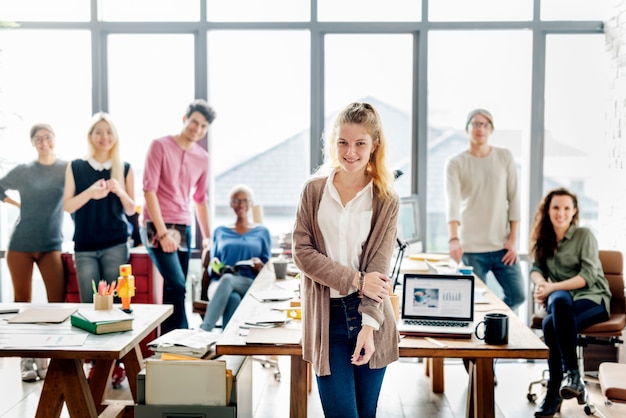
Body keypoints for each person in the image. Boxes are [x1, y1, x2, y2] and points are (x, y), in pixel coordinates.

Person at [292, 102, 400, 418]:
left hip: (370, 318)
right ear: (333, 142)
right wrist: (355, 279)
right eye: (343, 142)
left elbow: (378, 268)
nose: (350, 152)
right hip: (326, 319)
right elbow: (302, 253)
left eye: (359, 143)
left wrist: (368, 327)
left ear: (374, 145)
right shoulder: (313, 191)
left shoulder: (385, 199)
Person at [529, 188, 611, 418]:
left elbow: (588, 276)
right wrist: (541, 284)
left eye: (567, 208)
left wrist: (552, 287)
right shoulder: (544, 238)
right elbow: (536, 269)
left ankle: (556, 390)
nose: (561, 213)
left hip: (592, 299)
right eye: (556, 207)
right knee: (557, 304)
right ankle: (572, 376)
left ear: (574, 211)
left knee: (550, 322)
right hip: (563, 303)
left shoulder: (584, 235)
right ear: (548, 210)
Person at [141, 99, 215, 334]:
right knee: (176, 283)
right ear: (185, 119)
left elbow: (200, 198)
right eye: (194, 122)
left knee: (176, 288)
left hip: (184, 226)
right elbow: (148, 189)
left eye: (203, 126)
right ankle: (179, 338)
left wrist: (208, 237)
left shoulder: (203, 158)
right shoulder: (159, 146)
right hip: (156, 224)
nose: (197, 129)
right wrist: (162, 233)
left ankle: (169, 344)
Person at [0, 123, 66, 382]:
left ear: (54, 139)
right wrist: (17, 203)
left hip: (51, 244)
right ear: (32, 143)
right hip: (20, 245)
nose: (43, 142)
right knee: (22, 306)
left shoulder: (65, 169)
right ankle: (27, 362)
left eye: (47, 137)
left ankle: (53, 360)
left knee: (57, 305)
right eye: (37, 138)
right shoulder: (25, 171)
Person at [444, 108, 525, 311]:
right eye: (476, 124)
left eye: (485, 124)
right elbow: (452, 203)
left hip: (503, 247)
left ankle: (495, 320)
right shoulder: (455, 163)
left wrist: (514, 239)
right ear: (468, 128)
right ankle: (485, 330)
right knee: (474, 303)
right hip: (471, 248)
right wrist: (453, 238)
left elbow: (514, 198)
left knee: (518, 295)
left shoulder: (504, 157)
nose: (481, 128)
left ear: (491, 129)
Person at [64, 112, 136, 302]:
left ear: (116, 136)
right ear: (90, 136)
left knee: (117, 303)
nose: (104, 137)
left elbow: (130, 210)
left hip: (116, 245)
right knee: (89, 304)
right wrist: (90, 193)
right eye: (99, 132)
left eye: (109, 132)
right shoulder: (75, 166)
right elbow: (67, 206)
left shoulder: (125, 168)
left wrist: (120, 191)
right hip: (84, 246)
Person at [199, 185, 271, 332]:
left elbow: (267, 270)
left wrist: (259, 265)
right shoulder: (220, 231)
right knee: (233, 298)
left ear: (251, 204)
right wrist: (216, 265)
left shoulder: (262, 232)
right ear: (231, 204)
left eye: (245, 200)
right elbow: (213, 266)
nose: (241, 205)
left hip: (248, 283)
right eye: (236, 201)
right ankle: (226, 346)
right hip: (219, 284)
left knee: (228, 280)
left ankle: (204, 331)